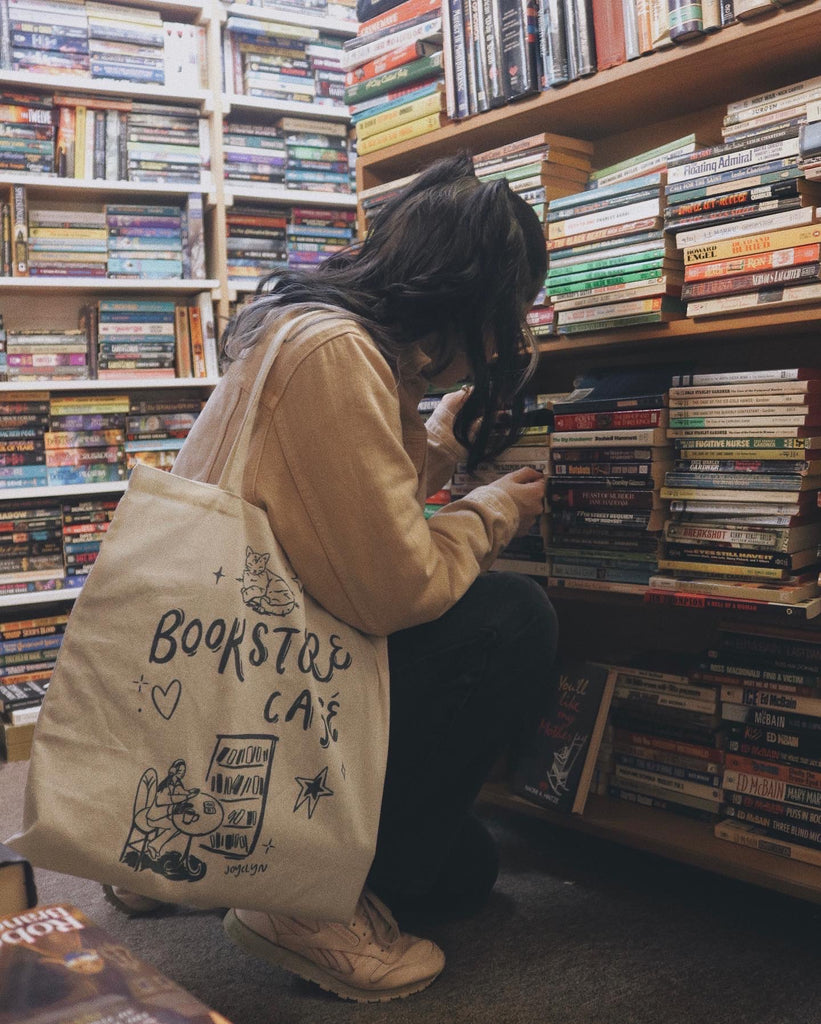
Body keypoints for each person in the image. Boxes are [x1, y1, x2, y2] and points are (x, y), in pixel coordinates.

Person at [107, 153, 559, 1003]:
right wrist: (494, 509)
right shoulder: (337, 354)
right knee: (510, 619)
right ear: (470, 295)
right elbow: (393, 591)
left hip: (201, 691)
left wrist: (442, 439)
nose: (506, 338)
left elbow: (336, 491)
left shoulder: (319, 333)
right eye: (508, 309)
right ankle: (295, 900)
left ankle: (188, 859)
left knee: (466, 873)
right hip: (271, 696)